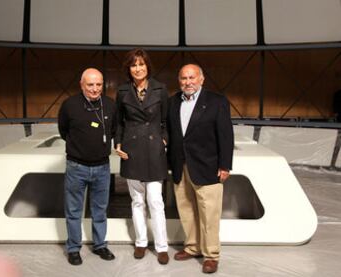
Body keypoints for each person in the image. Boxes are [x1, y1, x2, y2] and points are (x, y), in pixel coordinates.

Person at [167, 64, 234, 274]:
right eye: (183, 78)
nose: (188, 82)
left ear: (201, 79)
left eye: (192, 78)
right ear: (179, 81)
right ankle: (193, 246)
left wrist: (225, 165)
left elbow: (225, 135)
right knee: (186, 209)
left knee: (209, 214)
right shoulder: (172, 102)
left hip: (208, 167)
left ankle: (211, 255)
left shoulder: (217, 101)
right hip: (180, 165)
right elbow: (171, 133)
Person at [114, 48, 169, 265]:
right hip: (131, 150)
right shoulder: (121, 92)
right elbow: (119, 122)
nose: (138, 68)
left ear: (147, 66)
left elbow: (166, 121)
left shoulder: (161, 89)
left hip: (154, 150)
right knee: (137, 201)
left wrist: (164, 140)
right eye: (133, 65)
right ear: (129, 69)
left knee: (155, 200)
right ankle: (141, 242)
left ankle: (162, 246)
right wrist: (117, 143)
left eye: (141, 64)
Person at [58, 68, 117, 266]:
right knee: (74, 210)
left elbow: (115, 130)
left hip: (102, 167)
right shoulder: (69, 105)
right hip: (77, 167)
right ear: (82, 84)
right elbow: (63, 130)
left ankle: (100, 244)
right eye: (90, 84)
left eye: (98, 84)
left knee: (100, 209)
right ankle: (74, 248)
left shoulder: (109, 105)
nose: (94, 89)